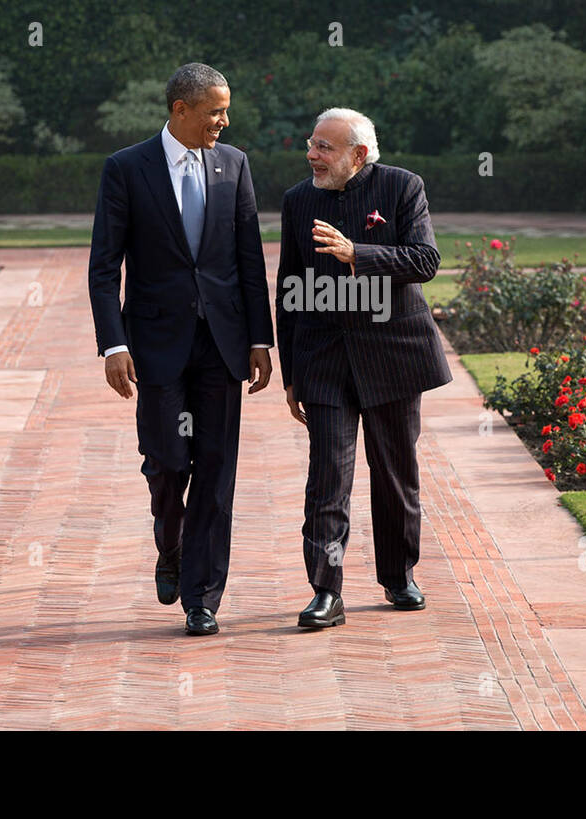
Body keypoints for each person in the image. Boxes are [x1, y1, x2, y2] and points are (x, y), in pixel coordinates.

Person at [88, 62, 273, 636]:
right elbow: (103, 268)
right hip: (154, 345)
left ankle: (202, 597)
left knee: (217, 472)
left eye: (226, 109)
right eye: (216, 110)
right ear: (180, 110)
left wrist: (260, 339)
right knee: (168, 463)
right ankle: (169, 545)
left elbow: (248, 260)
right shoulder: (126, 169)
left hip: (222, 345)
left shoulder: (234, 164)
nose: (225, 120)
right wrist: (112, 344)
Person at [275, 107, 452, 629]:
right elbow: (290, 288)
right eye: (311, 144)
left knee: (396, 474)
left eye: (324, 147)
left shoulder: (402, 187)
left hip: (394, 355)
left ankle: (398, 576)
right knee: (328, 477)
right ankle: (325, 591)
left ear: (358, 154)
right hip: (325, 362)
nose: (312, 155)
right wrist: (291, 374)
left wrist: (358, 253)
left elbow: (425, 260)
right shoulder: (297, 201)